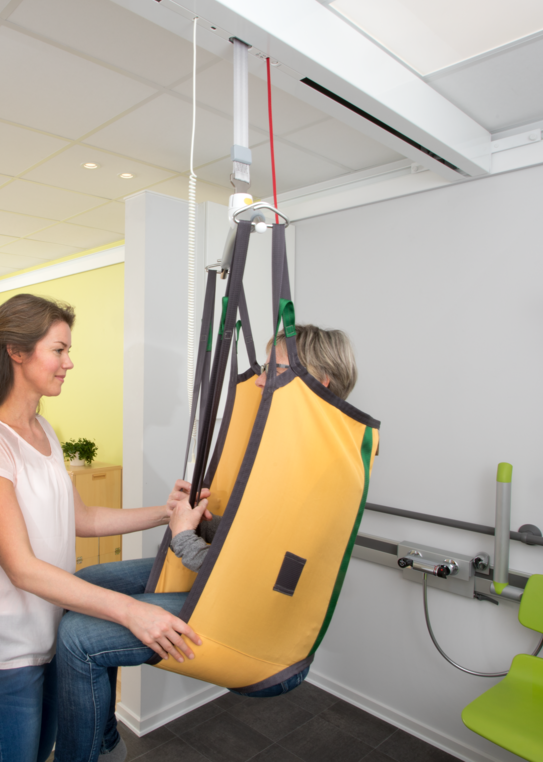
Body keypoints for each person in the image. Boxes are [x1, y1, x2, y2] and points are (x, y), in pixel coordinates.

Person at [53, 324, 359, 762]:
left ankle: (89, 753)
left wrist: (183, 536)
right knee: (84, 585)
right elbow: (244, 536)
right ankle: (103, 744)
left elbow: (247, 575)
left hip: (241, 615)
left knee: (78, 637)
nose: (258, 381)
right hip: (215, 582)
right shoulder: (280, 445)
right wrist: (192, 513)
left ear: (318, 382)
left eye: (273, 371)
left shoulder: (312, 469)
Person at [0, 293, 203, 762]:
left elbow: (83, 518)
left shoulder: (43, 430)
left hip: (48, 644)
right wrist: (131, 612)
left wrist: (168, 513)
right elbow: (22, 568)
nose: (69, 363)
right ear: (16, 352)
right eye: (58, 350)